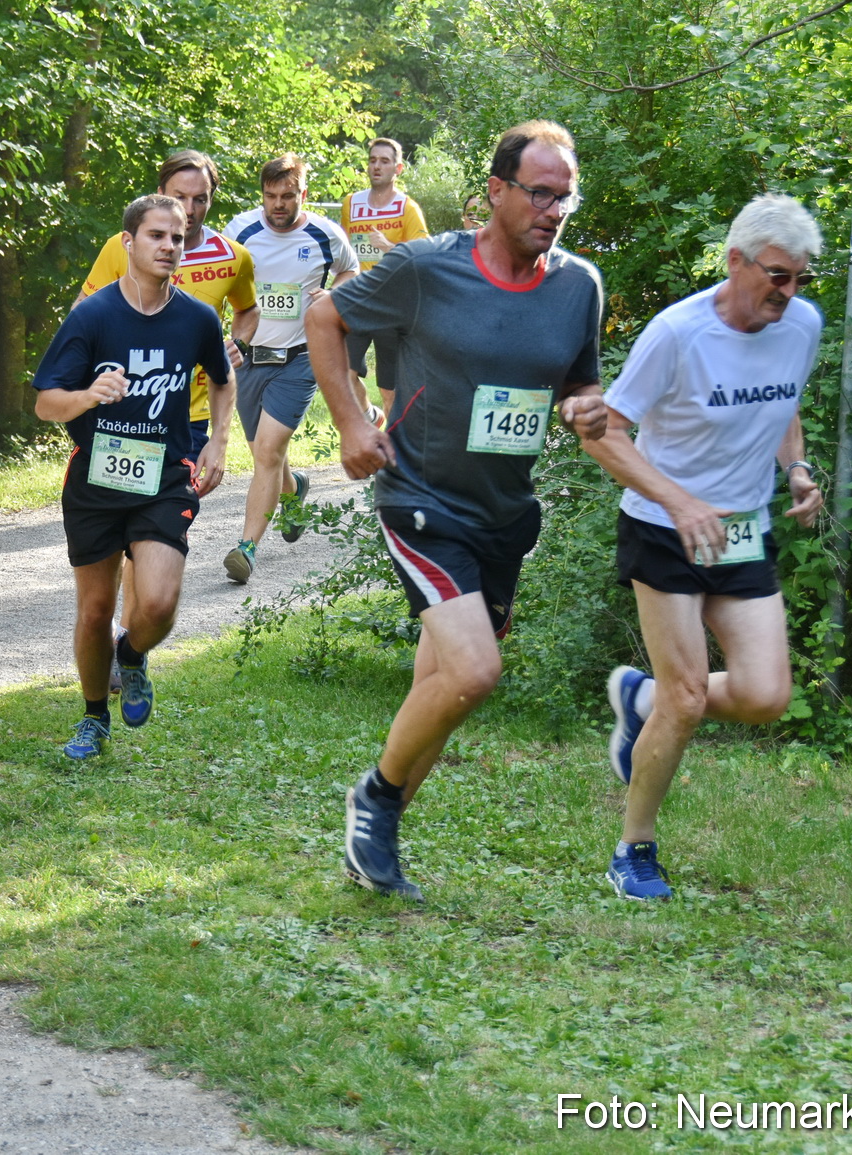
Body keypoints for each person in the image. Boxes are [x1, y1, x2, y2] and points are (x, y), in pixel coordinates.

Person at [305, 120, 608, 901]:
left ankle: (376, 833)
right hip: (420, 495)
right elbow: (323, 318)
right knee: (475, 670)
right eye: (540, 192)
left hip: (504, 512)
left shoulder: (578, 285)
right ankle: (374, 797)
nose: (554, 209)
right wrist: (349, 424)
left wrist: (589, 410)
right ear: (496, 192)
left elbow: (577, 381)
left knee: (441, 676)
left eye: (565, 196)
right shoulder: (425, 267)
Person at [583, 193, 825, 901]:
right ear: (736, 261)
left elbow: (783, 405)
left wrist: (797, 470)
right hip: (663, 528)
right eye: (778, 275)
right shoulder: (677, 333)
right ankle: (634, 848)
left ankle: (641, 700)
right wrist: (679, 500)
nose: (789, 292)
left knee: (764, 694)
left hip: (743, 529)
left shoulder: (800, 324)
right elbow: (605, 430)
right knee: (688, 700)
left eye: (801, 279)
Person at [33, 194, 232, 759]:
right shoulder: (93, 315)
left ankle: (135, 653)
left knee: (160, 603)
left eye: (178, 237)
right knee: (95, 611)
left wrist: (218, 440)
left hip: (166, 474)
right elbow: (47, 402)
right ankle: (94, 719)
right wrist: (86, 395)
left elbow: (221, 378)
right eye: (157, 236)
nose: (170, 246)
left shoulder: (196, 317)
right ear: (129, 242)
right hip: (96, 477)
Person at [73, 151, 258, 686]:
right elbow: (82, 317)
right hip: (121, 418)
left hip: (190, 420)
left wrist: (235, 344)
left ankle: (133, 641)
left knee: (151, 538)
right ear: (160, 195)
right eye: (181, 197)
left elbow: (246, 309)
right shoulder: (123, 246)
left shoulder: (233, 256)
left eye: (201, 199)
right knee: (122, 533)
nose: (192, 209)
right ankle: (119, 639)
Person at [221, 154, 362, 583]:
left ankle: (246, 549)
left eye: (287, 196)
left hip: (300, 359)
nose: (278, 205)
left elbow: (351, 270)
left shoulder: (324, 234)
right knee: (263, 451)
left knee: (266, 451)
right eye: (270, 196)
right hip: (246, 359)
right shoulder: (240, 232)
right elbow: (215, 279)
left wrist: (333, 296)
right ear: (261, 195)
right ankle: (293, 490)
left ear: (303, 193)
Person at [339, 138, 429, 418]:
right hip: (360, 301)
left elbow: (423, 256)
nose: (376, 166)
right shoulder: (352, 204)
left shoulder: (407, 208)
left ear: (398, 168)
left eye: (385, 161)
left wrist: (388, 247)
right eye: (373, 160)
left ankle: (394, 454)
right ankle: (369, 415)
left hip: (393, 307)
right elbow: (343, 251)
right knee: (343, 373)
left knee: (390, 390)